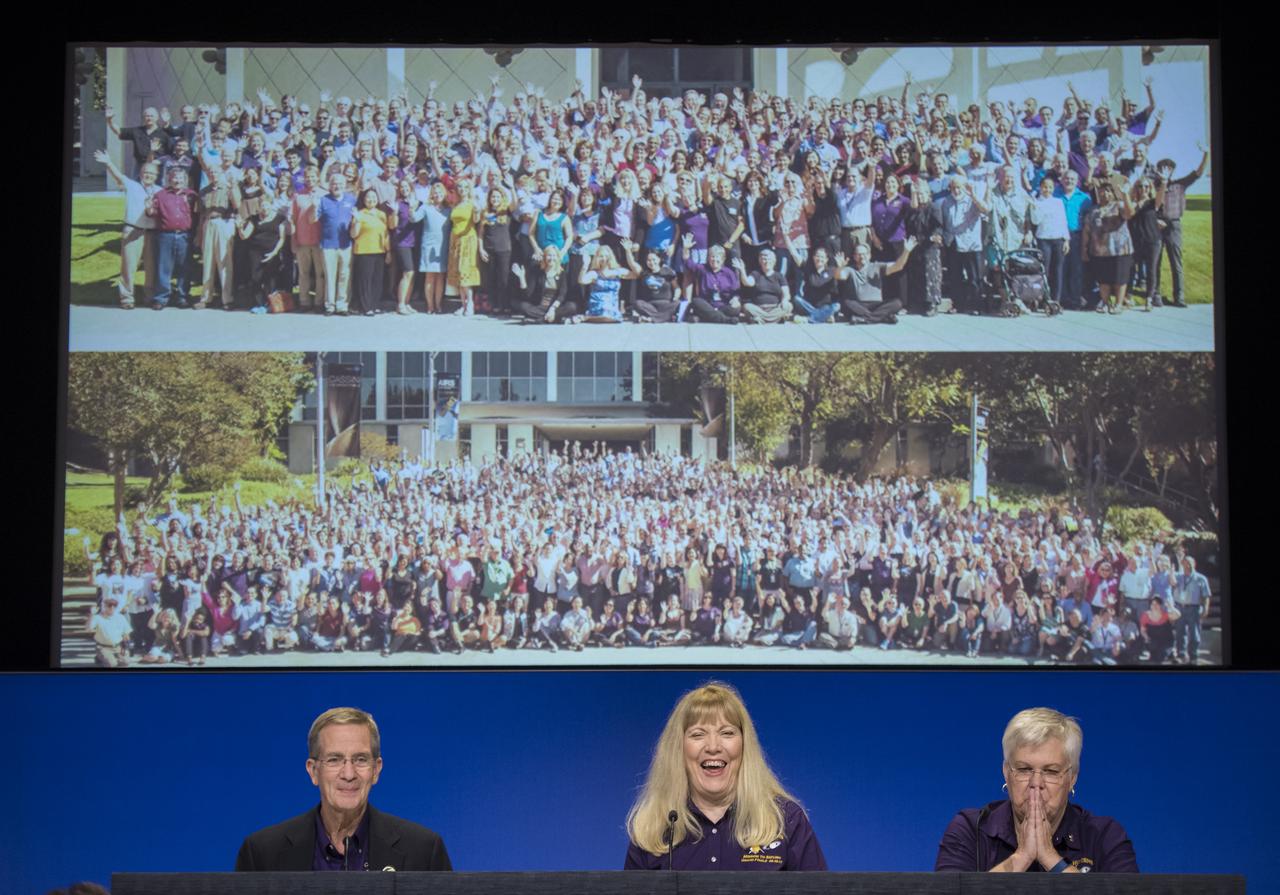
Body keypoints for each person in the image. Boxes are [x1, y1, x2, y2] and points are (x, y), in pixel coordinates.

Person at [624, 682, 827, 871]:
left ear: (744, 745)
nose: (713, 747)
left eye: (727, 733)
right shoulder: (654, 828)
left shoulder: (786, 820)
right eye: (698, 734)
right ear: (679, 749)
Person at [235, 707, 452, 872]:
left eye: (360, 759)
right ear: (313, 771)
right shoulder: (262, 854)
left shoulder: (423, 851)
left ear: (376, 770)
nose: (348, 774)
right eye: (334, 760)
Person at [935, 707, 1138, 873]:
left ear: (1072, 778)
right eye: (1024, 769)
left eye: (1051, 771)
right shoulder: (970, 829)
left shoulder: (1105, 836)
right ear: (1007, 773)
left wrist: (1049, 857)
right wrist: (1022, 856)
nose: (1036, 782)